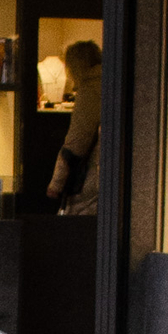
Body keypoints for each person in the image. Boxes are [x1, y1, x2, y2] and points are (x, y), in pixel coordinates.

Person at [46, 39, 104, 213]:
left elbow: (77, 140)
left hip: (92, 172)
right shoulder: (111, 84)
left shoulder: (89, 91)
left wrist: (56, 183)